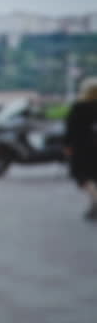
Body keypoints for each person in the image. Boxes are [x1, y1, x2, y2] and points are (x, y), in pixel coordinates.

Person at [64, 77, 97, 221]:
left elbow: (70, 129)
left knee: (82, 177)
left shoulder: (79, 107)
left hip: (82, 147)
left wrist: (67, 146)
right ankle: (94, 207)